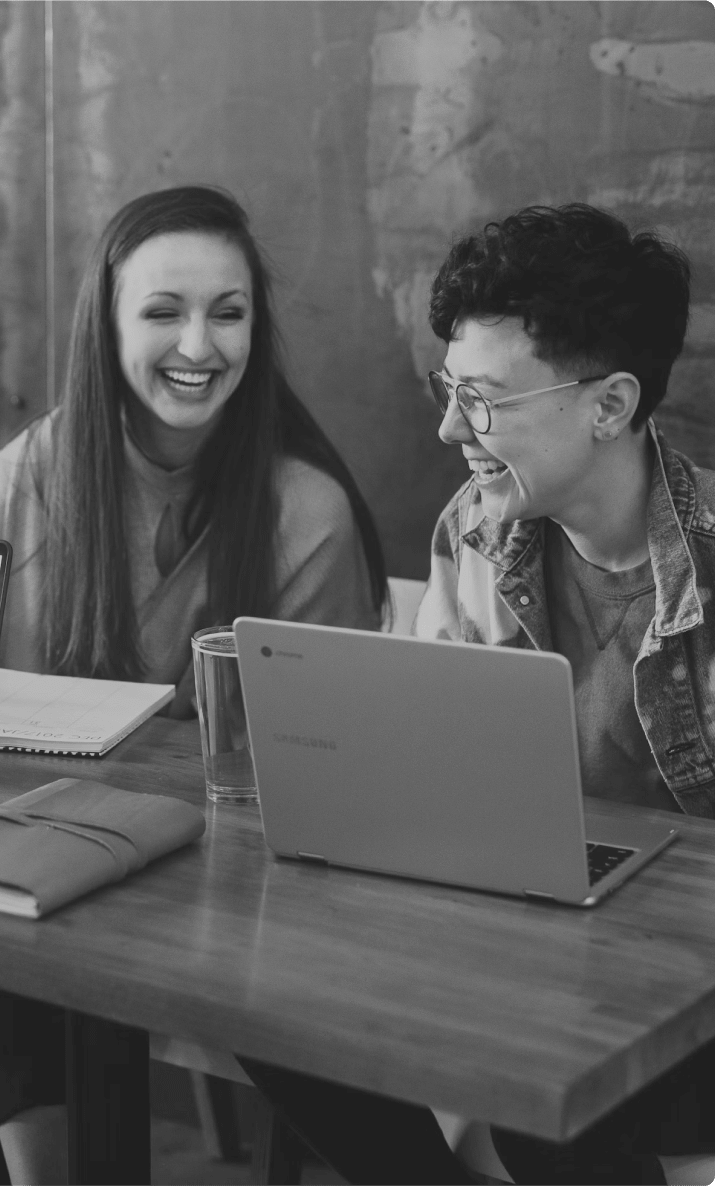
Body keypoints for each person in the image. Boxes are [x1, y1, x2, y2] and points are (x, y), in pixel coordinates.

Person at [0, 185, 388, 1184]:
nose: (199, 342)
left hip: (229, 895)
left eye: (227, 311)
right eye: (162, 311)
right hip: (50, 864)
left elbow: (315, 773)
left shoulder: (302, 509)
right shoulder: (48, 461)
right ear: (107, 323)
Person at [243, 203, 708, 1185]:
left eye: (483, 399)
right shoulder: (474, 531)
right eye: (445, 389)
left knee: (548, 1114)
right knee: (262, 1002)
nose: (449, 426)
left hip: (683, 985)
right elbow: (431, 787)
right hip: (530, 938)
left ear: (609, 405)